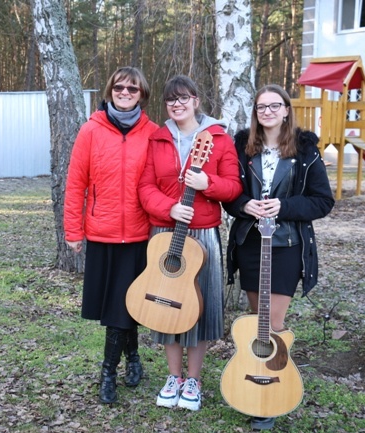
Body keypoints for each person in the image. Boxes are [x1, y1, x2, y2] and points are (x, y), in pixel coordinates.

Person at [222, 84, 335, 430]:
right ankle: (254, 382)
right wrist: (245, 205)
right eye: (261, 107)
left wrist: (284, 206)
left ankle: (271, 393)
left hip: (286, 245)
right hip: (251, 243)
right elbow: (229, 195)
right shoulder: (243, 147)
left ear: (287, 109)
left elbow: (322, 201)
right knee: (256, 319)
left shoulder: (305, 150)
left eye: (274, 106)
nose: (267, 111)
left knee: (272, 324)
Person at [138, 75, 242, 411]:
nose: (177, 104)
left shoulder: (219, 138)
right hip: (165, 233)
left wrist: (207, 182)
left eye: (183, 98)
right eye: (171, 99)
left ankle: (194, 380)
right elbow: (144, 187)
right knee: (165, 303)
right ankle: (174, 377)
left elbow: (233, 187)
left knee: (200, 307)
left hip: (202, 234)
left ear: (196, 101)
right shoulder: (157, 138)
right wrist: (167, 207)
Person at [63, 66, 159, 404]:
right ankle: (128, 360)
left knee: (128, 304)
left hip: (140, 235)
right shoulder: (91, 131)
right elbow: (75, 184)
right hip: (102, 234)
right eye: (119, 87)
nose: (125, 93)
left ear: (142, 94)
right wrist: (73, 230)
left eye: (132, 89)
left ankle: (111, 369)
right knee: (118, 304)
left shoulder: (154, 133)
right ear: (109, 90)